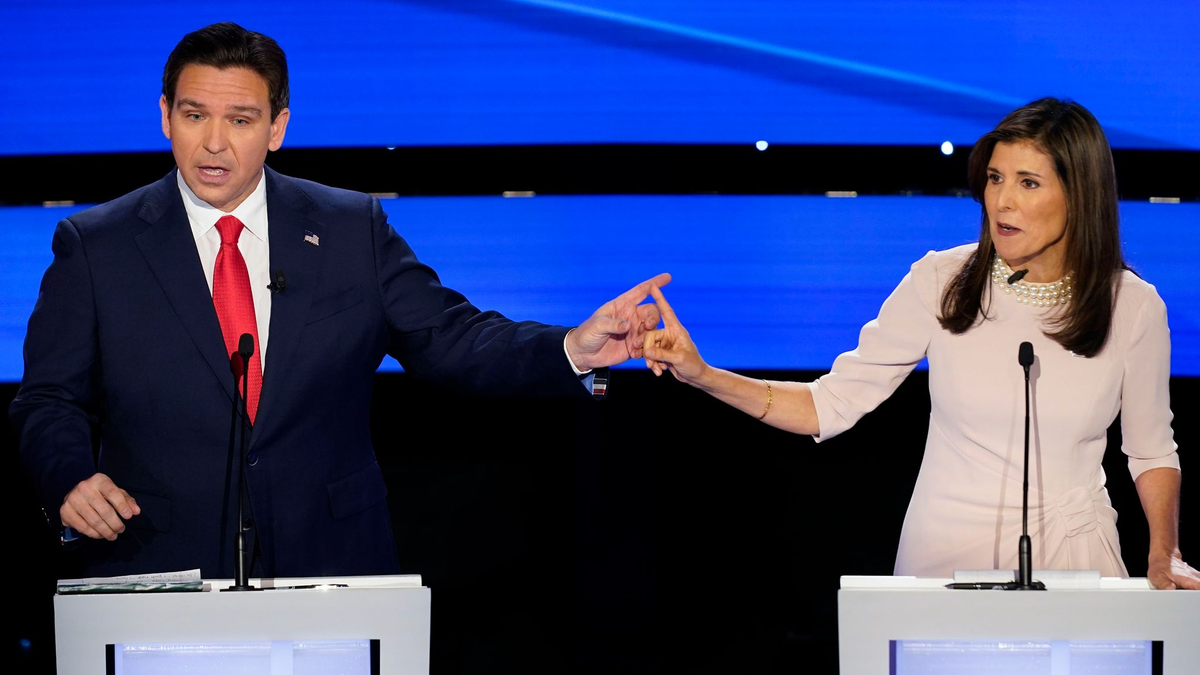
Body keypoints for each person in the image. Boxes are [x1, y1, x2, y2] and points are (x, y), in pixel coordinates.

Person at [9, 22, 668, 579]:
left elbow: (454, 339)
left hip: (329, 563)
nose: (214, 142)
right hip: (159, 562)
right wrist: (68, 477)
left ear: (277, 128)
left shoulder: (351, 229)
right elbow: (48, 396)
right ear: (164, 116)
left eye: (240, 119)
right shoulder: (97, 245)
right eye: (194, 115)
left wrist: (572, 347)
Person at [642, 98, 1199, 590]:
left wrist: (1163, 550)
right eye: (995, 177)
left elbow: (1151, 450)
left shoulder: (1133, 305)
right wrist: (704, 374)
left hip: (1075, 562)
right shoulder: (942, 281)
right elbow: (827, 404)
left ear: (1080, 196)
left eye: (1028, 183)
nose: (1001, 201)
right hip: (947, 563)